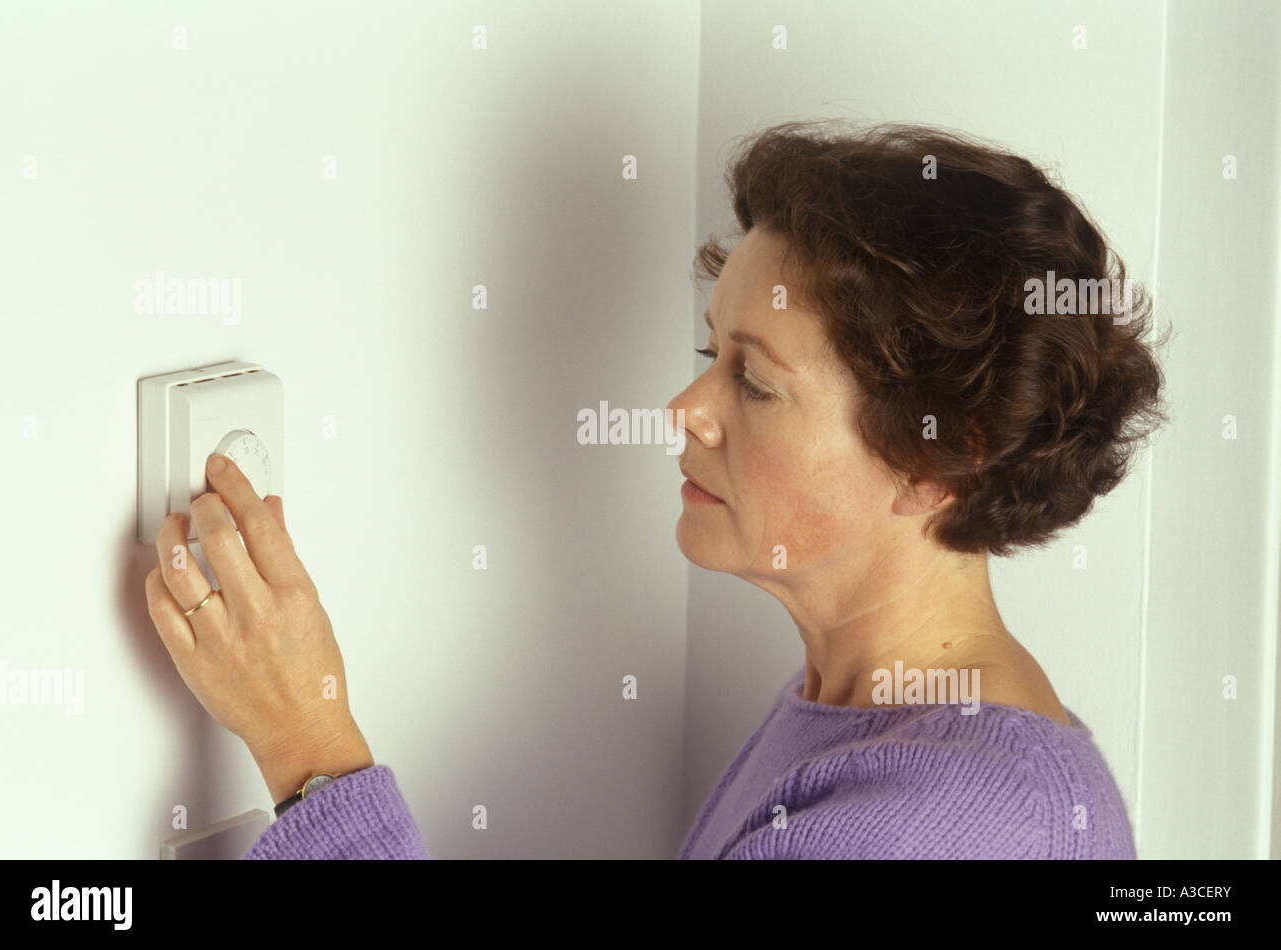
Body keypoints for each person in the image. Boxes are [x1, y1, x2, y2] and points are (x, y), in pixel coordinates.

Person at [144, 120, 1167, 859]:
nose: (686, 405)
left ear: (935, 463)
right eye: (707, 350)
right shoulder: (866, 719)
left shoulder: (933, 825)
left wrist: (308, 748)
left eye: (754, 379)